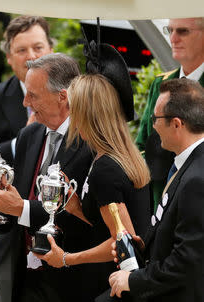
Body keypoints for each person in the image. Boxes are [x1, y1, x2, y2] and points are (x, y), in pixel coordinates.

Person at [0, 53, 94, 302]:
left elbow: (83, 217)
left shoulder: (91, 144)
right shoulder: (30, 135)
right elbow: (14, 214)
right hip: (26, 279)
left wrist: (20, 207)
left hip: (71, 280)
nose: (25, 101)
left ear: (63, 97)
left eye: (33, 95)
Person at [34, 73, 150, 301]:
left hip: (112, 284)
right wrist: (76, 207)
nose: (70, 115)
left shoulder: (105, 168)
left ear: (85, 114)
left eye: (72, 108)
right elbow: (106, 224)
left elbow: (123, 240)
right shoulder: (114, 157)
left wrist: (66, 258)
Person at [109, 78, 204, 302]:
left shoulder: (197, 180)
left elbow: (187, 262)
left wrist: (133, 281)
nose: (152, 126)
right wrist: (144, 248)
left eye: (156, 118)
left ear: (177, 124)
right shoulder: (189, 165)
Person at [136, 17, 204, 212]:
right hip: (159, 200)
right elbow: (141, 144)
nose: (173, 38)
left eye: (183, 31)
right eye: (170, 30)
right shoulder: (160, 84)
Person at [0, 15, 54, 165]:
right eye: (22, 50)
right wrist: (24, 139)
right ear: (9, 57)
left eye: (38, 48)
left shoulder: (72, 95)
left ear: (51, 50)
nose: (31, 56)